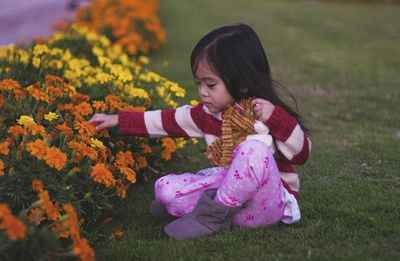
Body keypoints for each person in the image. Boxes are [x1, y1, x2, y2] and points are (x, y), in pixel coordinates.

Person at [88, 23, 311, 240]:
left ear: (241, 83)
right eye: (199, 83)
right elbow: (167, 121)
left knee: (253, 150)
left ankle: (209, 218)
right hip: (234, 209)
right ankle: (211, 212)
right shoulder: (207, 115)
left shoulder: (267, 113)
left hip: (267, 206)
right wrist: (118, 119)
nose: (202, 92)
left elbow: (302, 154)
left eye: (211, 85)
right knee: (166, 191)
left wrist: (279, 120)